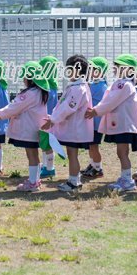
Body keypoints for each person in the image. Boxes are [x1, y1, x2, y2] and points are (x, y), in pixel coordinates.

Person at [86, 54, 137, 192]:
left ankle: (127, 180)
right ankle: (125, 178)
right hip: (122, 123)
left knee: (122, 153)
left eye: (118, 66)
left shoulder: (124, 84)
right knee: (122, 152)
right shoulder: (122, 84)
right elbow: (109, 99)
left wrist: (96, 111)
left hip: (123, 124)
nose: (115, 69)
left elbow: (110, 101)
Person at [0, 61, 50, 192]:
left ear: (30, 78)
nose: (23, 79)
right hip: (35, 128)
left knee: (31, 155)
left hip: (28, 130)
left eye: (25, 76)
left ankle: (33, 182)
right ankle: (35, 180)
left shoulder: (30, 93)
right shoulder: (40, 92)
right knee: (34, 155)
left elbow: (15, 107)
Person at [44, 55, 93, 193]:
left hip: (75, 128)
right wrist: (53, 116)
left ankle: (74, 182)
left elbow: (68, 107)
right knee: (72, 154)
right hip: (74, 127)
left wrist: (53, 119)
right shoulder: (76, 86)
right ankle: (74, 180)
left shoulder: (78, 88)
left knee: (72, 155)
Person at [81, 57, 109, 179]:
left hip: (96, 123)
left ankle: (98, 168)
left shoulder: (101, 86)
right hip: (90, 122)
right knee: (90, 146)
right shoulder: (94, 84)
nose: (90, 71)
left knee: (94, 146)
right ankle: (93, 165)